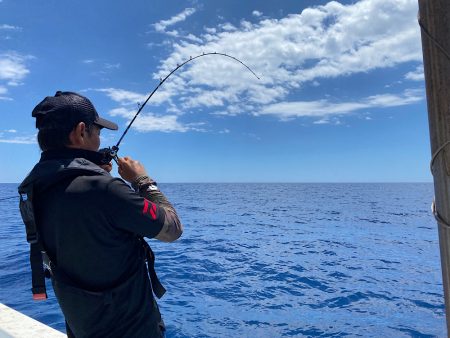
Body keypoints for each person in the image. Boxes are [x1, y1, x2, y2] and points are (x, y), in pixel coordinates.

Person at [18, 91, 183, 338]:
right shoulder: (104, 189)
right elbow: (172, 229)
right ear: (81, 131)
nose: (98, 139)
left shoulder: (32, 190)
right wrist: (142, 181)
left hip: (84, 328)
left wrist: (95, 173)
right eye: (98, 132)